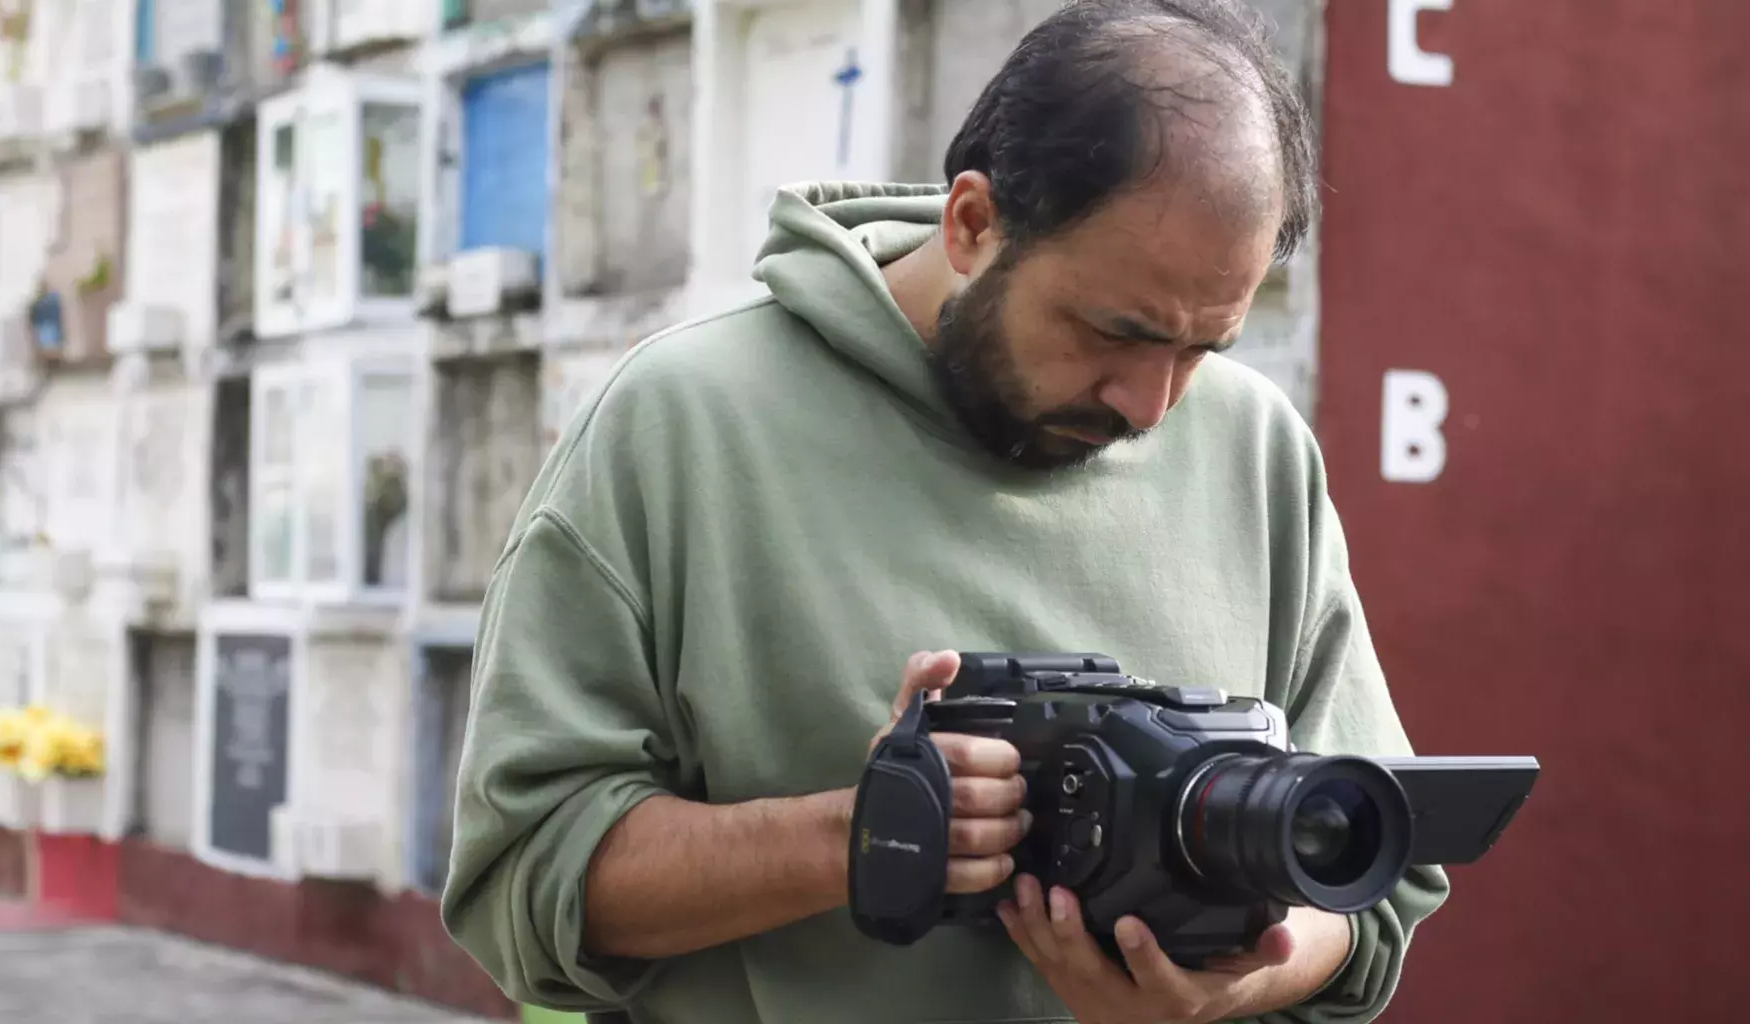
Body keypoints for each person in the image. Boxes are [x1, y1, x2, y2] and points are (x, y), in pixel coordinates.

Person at [440, 1, 1451, 1021]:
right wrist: (860, 833)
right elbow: (525, 875)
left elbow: (1377, 852)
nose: (1151, 406)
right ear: (971, 222)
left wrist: (1233, 986)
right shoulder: (680, 422)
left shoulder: (1256, 447)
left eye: (1201, 348)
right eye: (1113, 330)